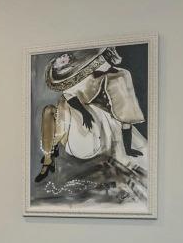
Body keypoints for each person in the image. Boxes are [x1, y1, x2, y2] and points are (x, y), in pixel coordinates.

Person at [35, 46, 146, 184]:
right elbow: (69, 96)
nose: (64, 57)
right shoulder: (73, 83)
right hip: (76, 120)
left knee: (56, 111)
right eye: (61, 60)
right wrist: (82, 112)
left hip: (90, 129)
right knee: (49, 111)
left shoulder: (117, 75)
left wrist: (128, 148)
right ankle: (48, 158)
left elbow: (126, 113)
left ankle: (49, 157)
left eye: (64, 58)